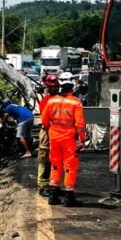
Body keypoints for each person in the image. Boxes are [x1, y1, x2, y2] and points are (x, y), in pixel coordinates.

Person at [41, 71, 85, 207]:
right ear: (72, 87)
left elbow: (44, 120)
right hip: (69, 138)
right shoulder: (76, 102)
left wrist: (52, 130)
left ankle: (53, 196)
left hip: (54, 136)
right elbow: (80, 125)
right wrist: (82, 140)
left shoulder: (51, 100)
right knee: (69, 166)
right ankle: (69, 198)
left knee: (55, 165)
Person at [37, 74, 60, 197]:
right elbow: (46, 121)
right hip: (47, 131)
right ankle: (42, 186)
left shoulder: (59, 99)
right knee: (45, 158)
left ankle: (53, 185)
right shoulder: (46, 100)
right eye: (53, 87)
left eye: (57, 87)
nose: (55, 89)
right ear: (48, 88)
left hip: (57, 133)